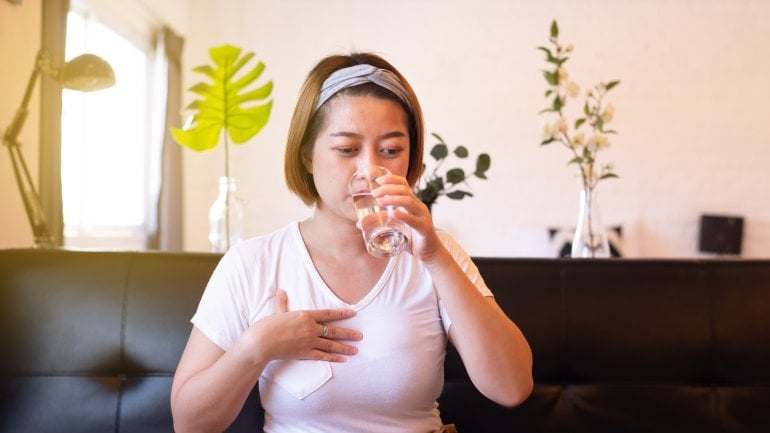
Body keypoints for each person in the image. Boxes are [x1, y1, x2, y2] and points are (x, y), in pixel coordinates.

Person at [171, 52, 533, 433]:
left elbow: (512, 388)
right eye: (346, 150)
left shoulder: (436, 253)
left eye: (391, 151)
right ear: (307, 155)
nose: (368, 170)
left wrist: (435, 257)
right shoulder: (253, 262)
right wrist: (256, 347)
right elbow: (190, 423)